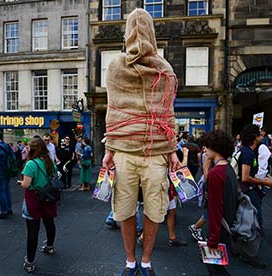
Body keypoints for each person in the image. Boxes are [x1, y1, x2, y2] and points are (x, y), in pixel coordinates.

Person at [102, 8, 180, 276]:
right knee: (129, 209)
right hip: (135, 150)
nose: (137, 34)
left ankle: (142, 261)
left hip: (149, 149)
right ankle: (133, 261)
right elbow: (114, 108)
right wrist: (109, 147)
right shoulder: (117, 65)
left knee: (152, 209)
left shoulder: (163, 68)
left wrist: (171, 151)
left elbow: (167, 113)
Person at [18, 137, 59, 273]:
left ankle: (30, 261)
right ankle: (50, 246)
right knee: (49, 222)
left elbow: (26, 184)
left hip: (34, 199)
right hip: (48, 197)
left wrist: (20, 182)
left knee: (33, 231)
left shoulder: (30, 164)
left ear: (32, 149)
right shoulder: (49, 162)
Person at [201, 129, 238, 276]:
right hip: (228, 223)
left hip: (219, 228)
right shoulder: (228, 168)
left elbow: (215, 208)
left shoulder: (216, 173)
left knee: (215, 270)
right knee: (219, 268)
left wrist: (213, 239)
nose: (204, 149)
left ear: (215, 147)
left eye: (207, 146)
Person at [238, 125, 272, 234]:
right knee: (255, 213)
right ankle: (254, 236)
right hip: (247, 190)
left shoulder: (247, 151)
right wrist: (264, 182)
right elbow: (245, 177)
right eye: (259, 134)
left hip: (248, 189)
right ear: (254, 137)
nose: (262, 135)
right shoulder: (248, 153)